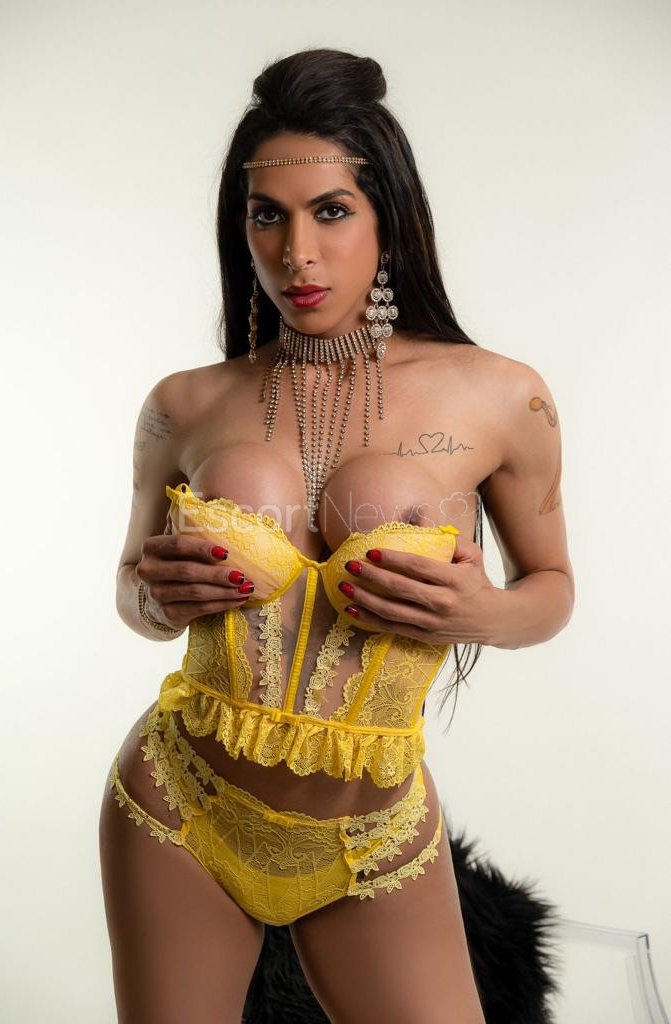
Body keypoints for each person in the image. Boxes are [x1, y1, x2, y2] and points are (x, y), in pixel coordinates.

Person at [99, 47, 574, 1024]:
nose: (297, 254)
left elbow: (553, 586)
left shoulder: (501, 395)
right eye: (266, 215)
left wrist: (483, 611)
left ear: (387, 216)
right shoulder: (182, 405)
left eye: (330, 211)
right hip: (180, 806)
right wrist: (158, 595)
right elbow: (131, 591)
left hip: (375, 834)